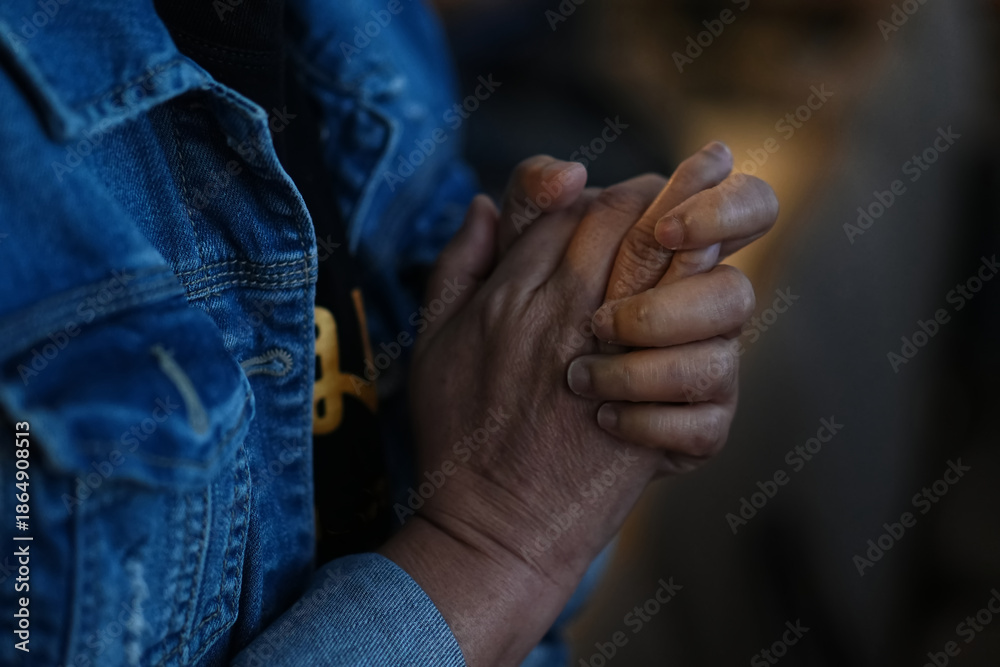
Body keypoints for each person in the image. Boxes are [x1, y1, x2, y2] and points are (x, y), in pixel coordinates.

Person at [0, 0, 776, 665]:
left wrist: (588, 308)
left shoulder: (360, 22)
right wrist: (500, 545)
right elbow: (517, 538)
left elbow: (530, 581)